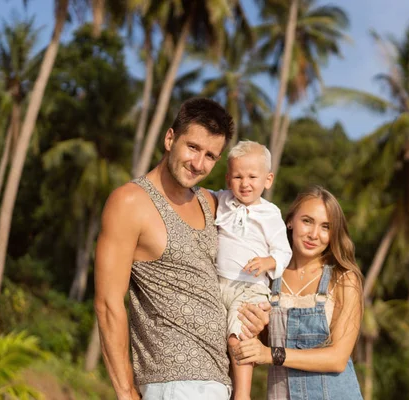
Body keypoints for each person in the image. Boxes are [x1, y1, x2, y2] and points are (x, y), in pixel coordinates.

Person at [94, 98, 269, 400]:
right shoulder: (131, 202)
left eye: (211, 156)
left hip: (219, 379)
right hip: (173, 382)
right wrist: (125, 392)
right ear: (169, 138)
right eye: (193, 147)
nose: (199, 164)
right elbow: (108, 304)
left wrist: (261, 314)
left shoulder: (212, 203)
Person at [233, 186, 365, 400]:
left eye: (326, 227)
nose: (314, 234)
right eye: (307, 221)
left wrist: (272, 354)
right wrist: (258, 329)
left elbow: (338, 359)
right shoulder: (268, 277)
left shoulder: (343, 279)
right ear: (290, 221)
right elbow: (254, 350)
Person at [213, 140, 292, 400]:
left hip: (250, 289)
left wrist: (268, 262)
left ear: (267, 180)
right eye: (237, 176)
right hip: (218, 284)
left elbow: (284, 252)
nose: (244, 183)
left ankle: (242, 394)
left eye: (252, 177)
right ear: (228, 178)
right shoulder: (222, 200)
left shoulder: (270, 213)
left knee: (240, 336)